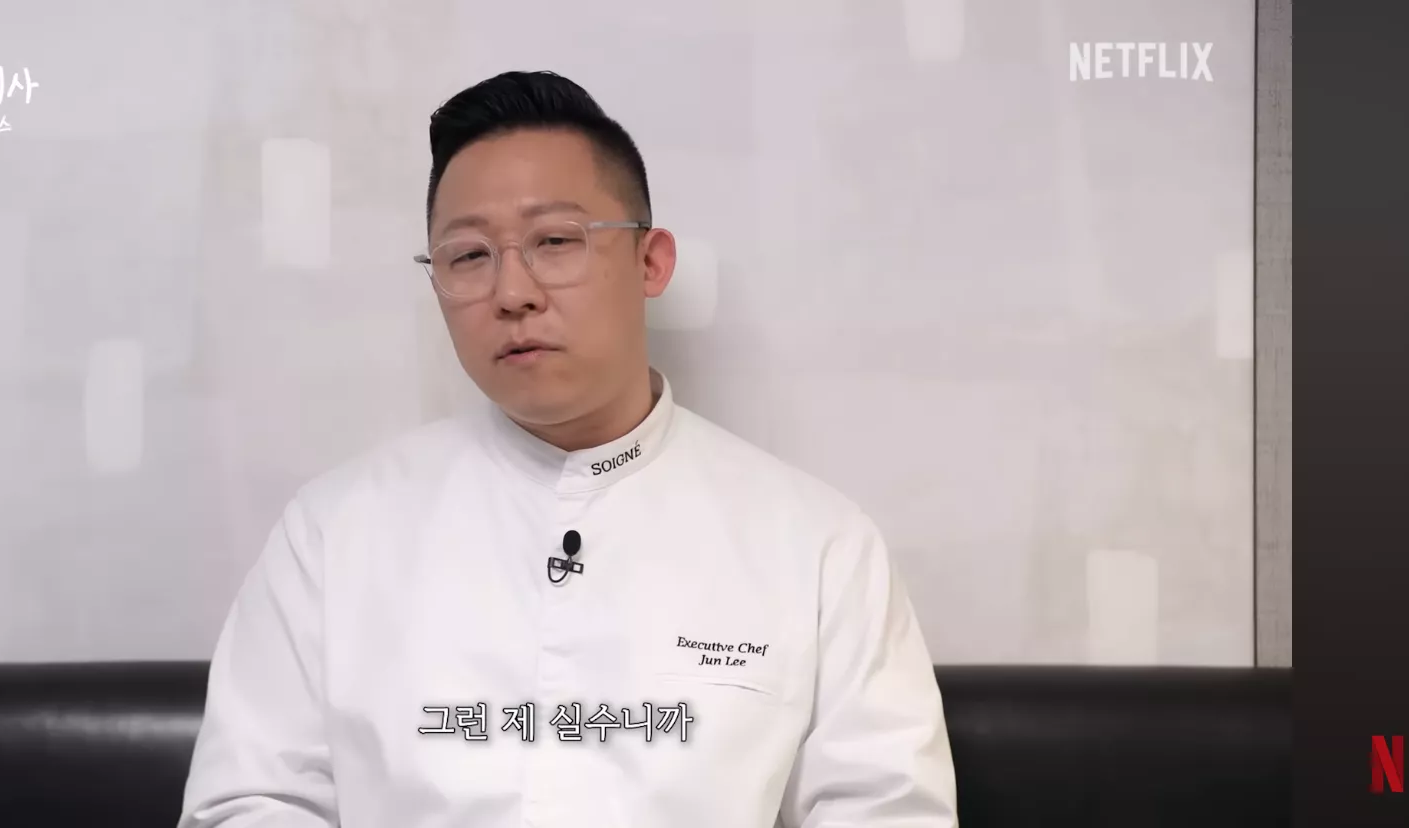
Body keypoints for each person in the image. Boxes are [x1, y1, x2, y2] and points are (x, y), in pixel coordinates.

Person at [179, 70, 959, 828]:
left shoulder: (814, 545)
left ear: (650, 262)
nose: (512, 292)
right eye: (469, 255)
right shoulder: (334, 533)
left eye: (555, 241)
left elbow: (887, 810)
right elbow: (251, 801)